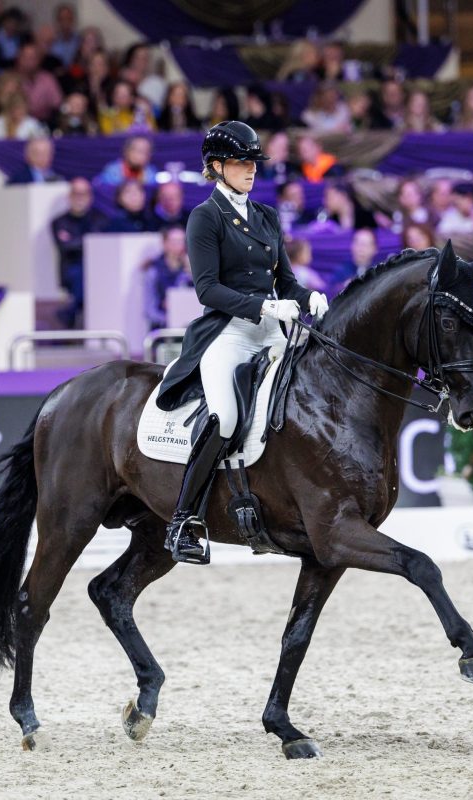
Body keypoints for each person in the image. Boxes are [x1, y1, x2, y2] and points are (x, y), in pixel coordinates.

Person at [156, 121, 323, 564]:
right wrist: (265, 307)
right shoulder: (204, 217)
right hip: (229, 331)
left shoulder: (266, 215)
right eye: (241, 163)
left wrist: (311, 298)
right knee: (226, 417)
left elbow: (286, 281)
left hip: (272, 330)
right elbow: (207, 289)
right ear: (217, 167)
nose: (251, 170)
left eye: (253, 163)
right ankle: (183, 521)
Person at [51, 177, 107, 327]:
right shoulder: (59, 221)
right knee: (81, 272)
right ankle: (74, 311)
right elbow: (66, 247)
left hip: (100, 269)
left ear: (90, 196)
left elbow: (102, 246)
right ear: (69, 196)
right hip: (71, 268)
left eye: (84, 193)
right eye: (76, 193)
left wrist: (78, 241)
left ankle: (71, 311)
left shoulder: (100, 219)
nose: (80, 198)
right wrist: (88, 241)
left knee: (88, 271)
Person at [143, 226, 192, 329]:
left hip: (188, 324)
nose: (179, 245)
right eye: (174, 241)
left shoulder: (189, 268)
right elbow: (149, 307)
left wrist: (191, 272)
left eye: (181, 241)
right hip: (162, 328)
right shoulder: (154, 269)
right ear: (165, 243)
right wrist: (168, 318)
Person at [331, 227, 379, 294]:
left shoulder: (379, 272)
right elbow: (331, 292)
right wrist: (343, 287)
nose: (361, 249)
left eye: (365, 245)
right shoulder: (341, 270)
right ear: (351, 246)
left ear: (375, 249)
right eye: (358, 243)